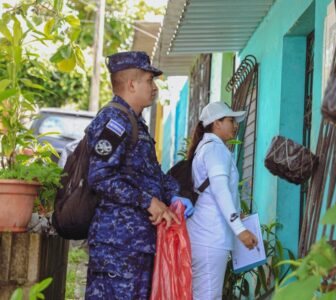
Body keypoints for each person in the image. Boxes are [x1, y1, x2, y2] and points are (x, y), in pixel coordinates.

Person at [84, 51, 193, 300]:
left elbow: (150, 174)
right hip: (117, 245)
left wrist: (175, 194)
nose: (153, 88)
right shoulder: (114, 121)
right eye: (149, 80)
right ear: (132, 84)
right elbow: (100, 176)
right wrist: (148, 201)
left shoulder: (136, 123)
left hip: (137, 244)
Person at [186, 101, 259, 300]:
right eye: (230, 120)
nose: (235, 125)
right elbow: (220, 191)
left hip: (204, 237)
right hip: (210, 239)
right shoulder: (215, 149)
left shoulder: (206, 147)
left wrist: (236, 213)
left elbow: (214, 194)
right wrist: (240, 229)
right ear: (216, 123)